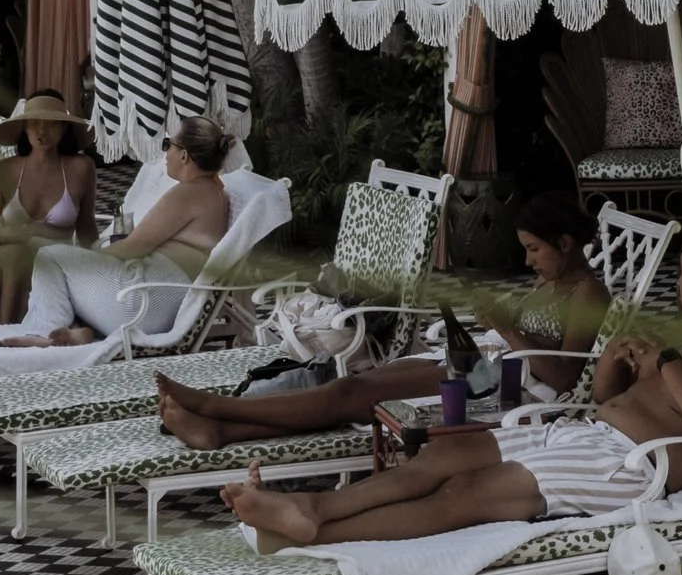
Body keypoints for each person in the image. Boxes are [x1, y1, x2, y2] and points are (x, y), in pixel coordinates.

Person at [221, 216, 682, 550]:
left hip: (630, 469)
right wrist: (614, 358)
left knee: (467, 494)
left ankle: (314, 530)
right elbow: (610, 400)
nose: (677, 286)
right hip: (588, 436)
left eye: (680, 274)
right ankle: (314, 508)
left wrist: (665, 364)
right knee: (442, 458)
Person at [150, 186, 607, 442]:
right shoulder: (550, 279)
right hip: (486, 366)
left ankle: (215, 409)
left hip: (509, 391)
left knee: (354, 390)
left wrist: (505, 327)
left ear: (565, 244)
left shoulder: (588, 293)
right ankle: (220, 428)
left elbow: (565, 378)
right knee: (356, 387)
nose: (528, 262)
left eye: (534, 249)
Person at [0, 116, 243, 350]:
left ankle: (43, 332)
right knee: (76, 268)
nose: (164, 153)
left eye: (167, 144)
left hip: (145, 301)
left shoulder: (187, 193)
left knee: (49, 256)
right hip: (164, 300)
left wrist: (93, 253)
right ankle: (78, 330)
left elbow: (131, 248)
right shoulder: (212, 192)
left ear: (184, 155)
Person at [0, 88, 97, 324]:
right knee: (15, 255)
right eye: (33, 124)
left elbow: (86, 225)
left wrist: (99, 263)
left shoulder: (81, 167)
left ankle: (5, 335)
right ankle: (2, 335)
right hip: (5, 257)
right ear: (24, 129)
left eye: (50, 124)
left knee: (18, 258)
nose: (41, 132)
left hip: (55, 260)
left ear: (63, 128)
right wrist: (5, 234)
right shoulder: (4, 170)